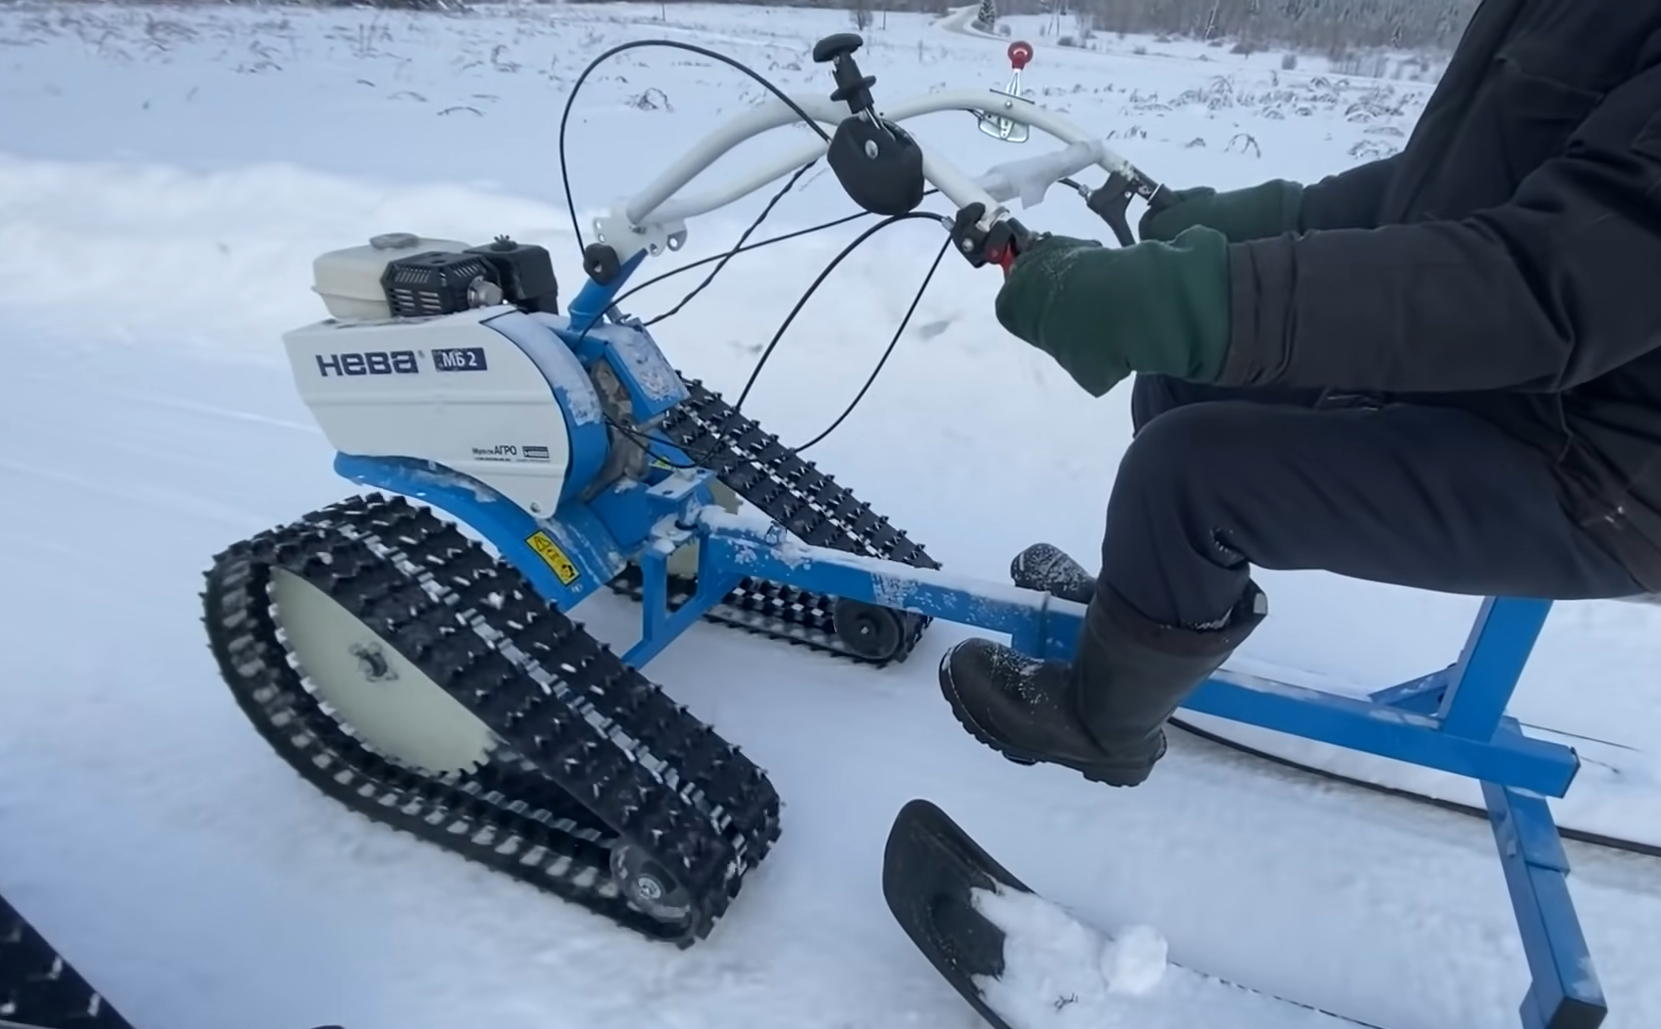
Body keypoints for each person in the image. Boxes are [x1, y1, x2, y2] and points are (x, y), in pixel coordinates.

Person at [938, 1, 1661, 789]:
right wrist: (1263, 222)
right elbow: (1461, 181)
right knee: (1185, 378)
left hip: (1603, 468)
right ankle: (1164, 610)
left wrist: (1200, 298)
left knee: (1189, 478)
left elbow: (1538, 287)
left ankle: (1101, 725)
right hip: (1514, 371)